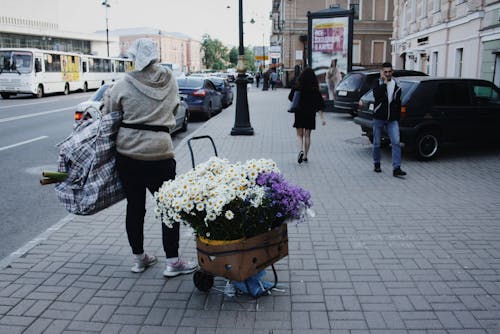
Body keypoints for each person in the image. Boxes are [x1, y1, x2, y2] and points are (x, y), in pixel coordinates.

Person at [108, 38, 197, 276]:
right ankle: (172, 261)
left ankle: (139, 259)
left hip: (128, 154)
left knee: (135, 207)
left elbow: (111, 115)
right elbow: (175, 109)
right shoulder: (170, 79)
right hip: (160, 152)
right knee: (169, 207)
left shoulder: (123, 83)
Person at [372, 62, 406, 177]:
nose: (387, 74)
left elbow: (398, 102)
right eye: (385, 72)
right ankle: (377, 164)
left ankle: (396, 168)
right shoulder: (377, 82)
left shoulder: (397, 84)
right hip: (379, 118)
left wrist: (397, 117)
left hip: (392, 119)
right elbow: (377, 96)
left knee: (396, 142)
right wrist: (384, 84)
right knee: (377, 143)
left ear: (392, 72)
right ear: (382, 72)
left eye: (389, 71)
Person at [288, 67, 326, 163]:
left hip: (299, 112)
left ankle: (300, 150)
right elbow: (320, 105)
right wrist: (322, 118)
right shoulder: (315, 89)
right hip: (310, 113)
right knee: (307, 135)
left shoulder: (298, 85)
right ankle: (305, 156)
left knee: (299, 135)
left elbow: (290, 97)